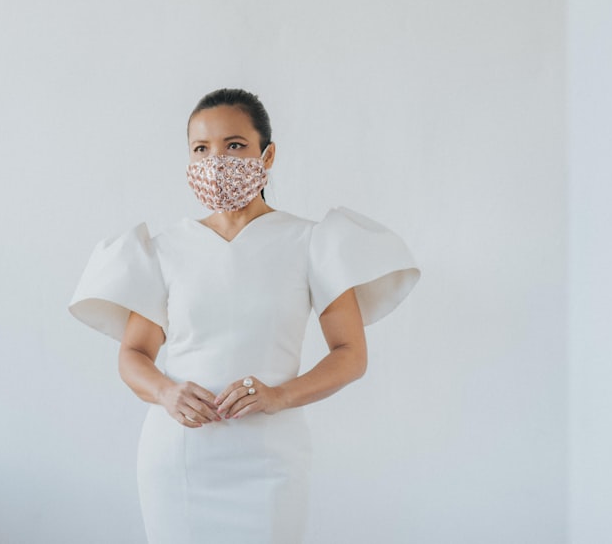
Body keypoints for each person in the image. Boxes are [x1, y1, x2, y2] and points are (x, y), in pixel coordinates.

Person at [68, 89, 420, 543]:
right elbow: (134, 354)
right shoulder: (165, 250)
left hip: (271, 458)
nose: (217, 161)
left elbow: (350, 354)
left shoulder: (311, 242)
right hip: (180, 459)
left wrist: (279, 396)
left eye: (234, 145)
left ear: (267, 155)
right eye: (202, 149)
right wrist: (166, 392)